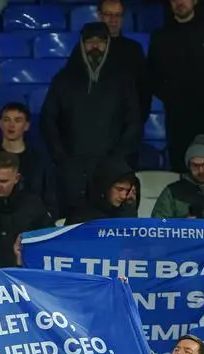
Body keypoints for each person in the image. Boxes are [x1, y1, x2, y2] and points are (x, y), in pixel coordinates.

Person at [42, 22, 142, 218]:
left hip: (111, 170)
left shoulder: (122, 79)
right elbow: (48, 121)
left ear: (108, 45)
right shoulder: (64, 79)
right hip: (72, 170)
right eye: (90, 42)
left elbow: (134, 122)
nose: (95, 46)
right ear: (81, 44)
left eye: (100, 42)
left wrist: (117, 159)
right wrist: (62, 158)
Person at [148, 0, 204, 171]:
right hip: (177, 118)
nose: (179, 2)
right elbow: (152, 76)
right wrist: (171, 96)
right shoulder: (161, 37)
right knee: (181, 171)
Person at [0, 103, 58, 214]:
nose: (11, 125)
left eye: (17, 120)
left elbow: (50, 199)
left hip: (31, 222)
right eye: (7, 120)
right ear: (0, 123)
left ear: (26, 125)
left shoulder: (41, 158)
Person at [67, 158, 140, 224]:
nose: (123, 196)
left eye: (127, 190)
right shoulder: (80, 217)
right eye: (119, 189)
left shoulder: (129, 213)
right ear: (105, 186)